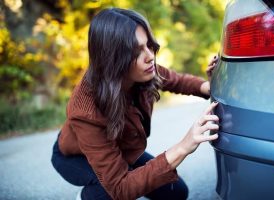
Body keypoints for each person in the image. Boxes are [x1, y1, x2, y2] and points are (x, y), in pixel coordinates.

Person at [51, 8, 219, 200]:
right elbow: (121, 187)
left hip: (123, 150)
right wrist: (182, 147)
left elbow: (177, 80)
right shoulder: (85, 109)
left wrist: (209, 86)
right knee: (109, 192)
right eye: (136, 51)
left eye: (148, 45)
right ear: (113, 58)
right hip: (76, 156)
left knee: (177, 193)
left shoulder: (144, 69)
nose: (149, 56)